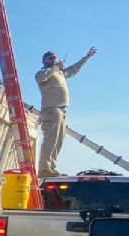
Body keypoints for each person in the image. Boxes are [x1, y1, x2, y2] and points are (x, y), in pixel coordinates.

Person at [35, 47, 97, 178]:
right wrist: (55, 68)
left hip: (61, 110)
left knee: (58, 142)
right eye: (50, 58)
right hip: (51, 110)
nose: (54, 60)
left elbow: (74, 70)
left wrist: (86, 57)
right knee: (51, 139)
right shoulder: (43, 73)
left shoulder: (59, 73)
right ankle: (44, 169)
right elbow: (41, 78)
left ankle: (51, 168)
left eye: (55, 58)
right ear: (45, 62)